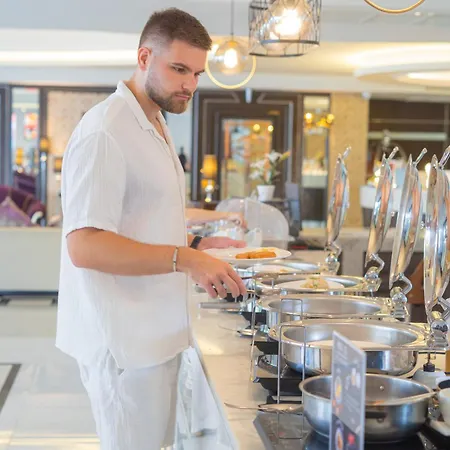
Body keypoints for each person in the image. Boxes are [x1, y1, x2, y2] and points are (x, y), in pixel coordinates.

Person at [56, 8, 247, 450]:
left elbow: (140, 218)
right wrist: (186, 258)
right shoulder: (105, 131)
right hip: (123, 342)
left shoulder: (155, 122)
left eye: (197, 73)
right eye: (179, 69)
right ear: (144, 57)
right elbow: (85, 245)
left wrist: (198, 242)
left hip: (155, 333)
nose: (190, 85)